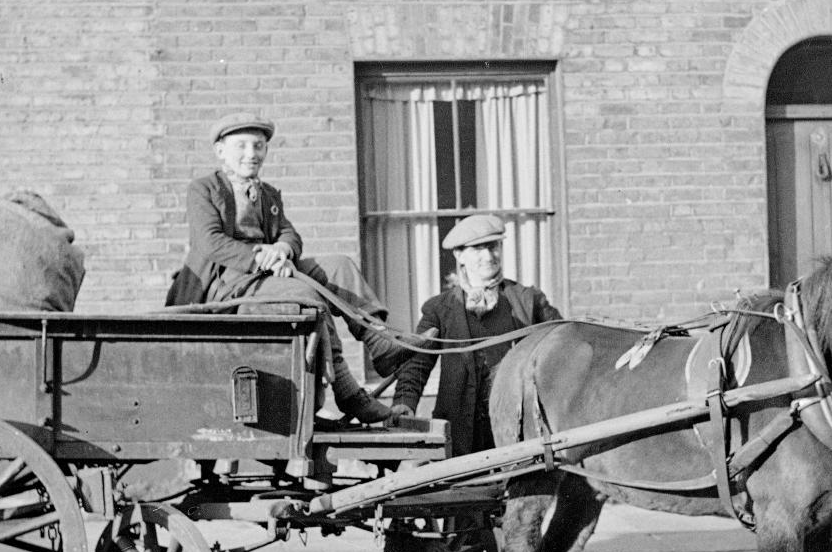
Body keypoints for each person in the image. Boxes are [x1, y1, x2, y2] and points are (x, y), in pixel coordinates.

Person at [165, 113, 408, 426]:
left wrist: (282, 249)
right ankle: (346, 390)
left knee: (338, 266)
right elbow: (209, 241)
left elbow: (290, 233)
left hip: (267, 278)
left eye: (259, 146)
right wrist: (261, 259)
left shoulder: (267, 194)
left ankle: (380, 342)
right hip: (224, 284)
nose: (251, 154)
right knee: (306, 293)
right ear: (220, 151)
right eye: (241, 146)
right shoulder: (203, 189)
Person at [391, 213, 562, 455]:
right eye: (478, 249)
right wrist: (404, 403)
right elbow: (417, 364)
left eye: (493, 247)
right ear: (459, 255)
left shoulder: (528, 300)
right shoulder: (439, 308)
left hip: (517, 429)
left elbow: (563, 344)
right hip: (461, 433)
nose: (489, 256)